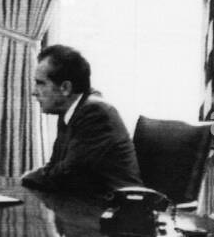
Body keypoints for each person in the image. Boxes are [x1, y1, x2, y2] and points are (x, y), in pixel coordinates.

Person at [21, 44, 142, 197]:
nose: (34, 92)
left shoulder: (95, 112)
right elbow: (55, 166)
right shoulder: (70, 110)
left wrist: (27, 180)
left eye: (40, 83)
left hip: (115, 210)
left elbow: (68, 172)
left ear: (65, 88)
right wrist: (28, 178)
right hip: (85, 205)